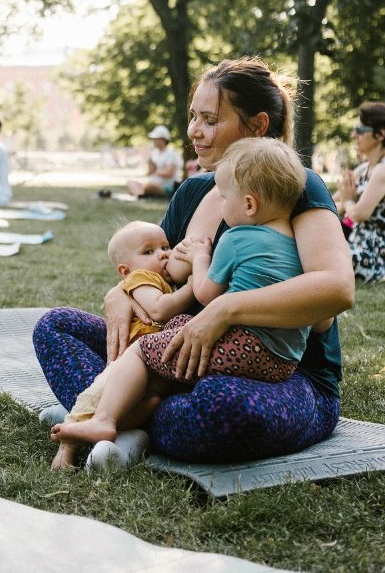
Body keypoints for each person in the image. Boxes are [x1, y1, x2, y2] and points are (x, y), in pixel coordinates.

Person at [32, 57, 354, 463]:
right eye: (192, 117)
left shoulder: (294, 187)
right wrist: (121, 291)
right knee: (56, 327)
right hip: (177, 361)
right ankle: (118, 416)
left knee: (222, 407)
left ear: (257, 126)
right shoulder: (193, 191)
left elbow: (336, 289)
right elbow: (152, 267)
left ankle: (107, 414)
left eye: (210, 120)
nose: (193, 132)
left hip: (281, 376)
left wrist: (222, 310)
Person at [51, 139, 310, 466]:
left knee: (143, 349)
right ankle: (124, 414)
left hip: (242, 348)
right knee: (175, 328)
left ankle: (102, 419)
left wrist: (201, 257)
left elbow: (206, 294)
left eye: (224, 197)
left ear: (248, 205)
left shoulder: (235, 238)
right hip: (282, 361)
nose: (221, 205)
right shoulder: (298, 243)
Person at [50, 220, 193, 469]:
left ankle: (90, 425)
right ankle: (68, 445)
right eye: (149, 252)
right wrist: (194, 286)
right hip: (130, 365)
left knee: (145, 407)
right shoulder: (142, 279)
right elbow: (160, 309)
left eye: (165, 246)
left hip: (156, 377)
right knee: (97, 393)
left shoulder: (164, 282)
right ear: (125, 271)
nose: (164, 254)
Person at [335, 102, 385, 283]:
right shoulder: (364, 169)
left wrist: (346, 203)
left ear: (380, 134)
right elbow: (329, 206)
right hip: (360, 249)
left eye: (360, 130)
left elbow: (360, 213)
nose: (354, 135)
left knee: (326, 257)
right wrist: (346, 202)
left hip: (384, 260)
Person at [126, 125, 181, 198]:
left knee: (150, 186)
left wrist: (155, 170)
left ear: (163, 139)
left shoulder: (171, 153)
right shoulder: (154, 153)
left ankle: (139, 193)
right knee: (130, 182)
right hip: (152, 184)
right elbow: (150, 172)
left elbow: (169, 173)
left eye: (155, 139)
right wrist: (149, 165)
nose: (153, 141)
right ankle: (141, 193)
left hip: (165, 187)